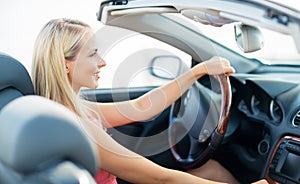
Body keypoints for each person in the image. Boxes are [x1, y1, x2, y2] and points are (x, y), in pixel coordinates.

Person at [31, 18, 268, 184]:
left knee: (209, 169)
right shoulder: (78, 127)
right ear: (65, 64)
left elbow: (140, 108)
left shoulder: (73, 107)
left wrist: (198, 71)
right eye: (93, 54)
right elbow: (159, 178)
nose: (102, 62)